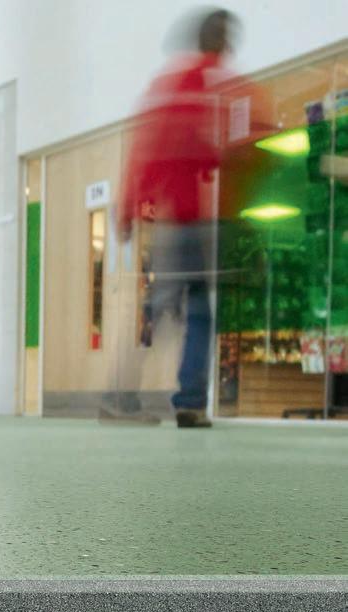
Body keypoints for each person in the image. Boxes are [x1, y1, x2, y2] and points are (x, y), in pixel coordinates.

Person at [106, 8, 271, 429]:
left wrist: (129, 208)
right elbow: (251, 144)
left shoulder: (169, 87)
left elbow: (144, 151)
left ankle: (121, 397)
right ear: (224, 41)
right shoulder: (231, 88)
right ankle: (190, 402)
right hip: (207, 219)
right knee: (198, 310)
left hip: (174, 220)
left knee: (160, 306)